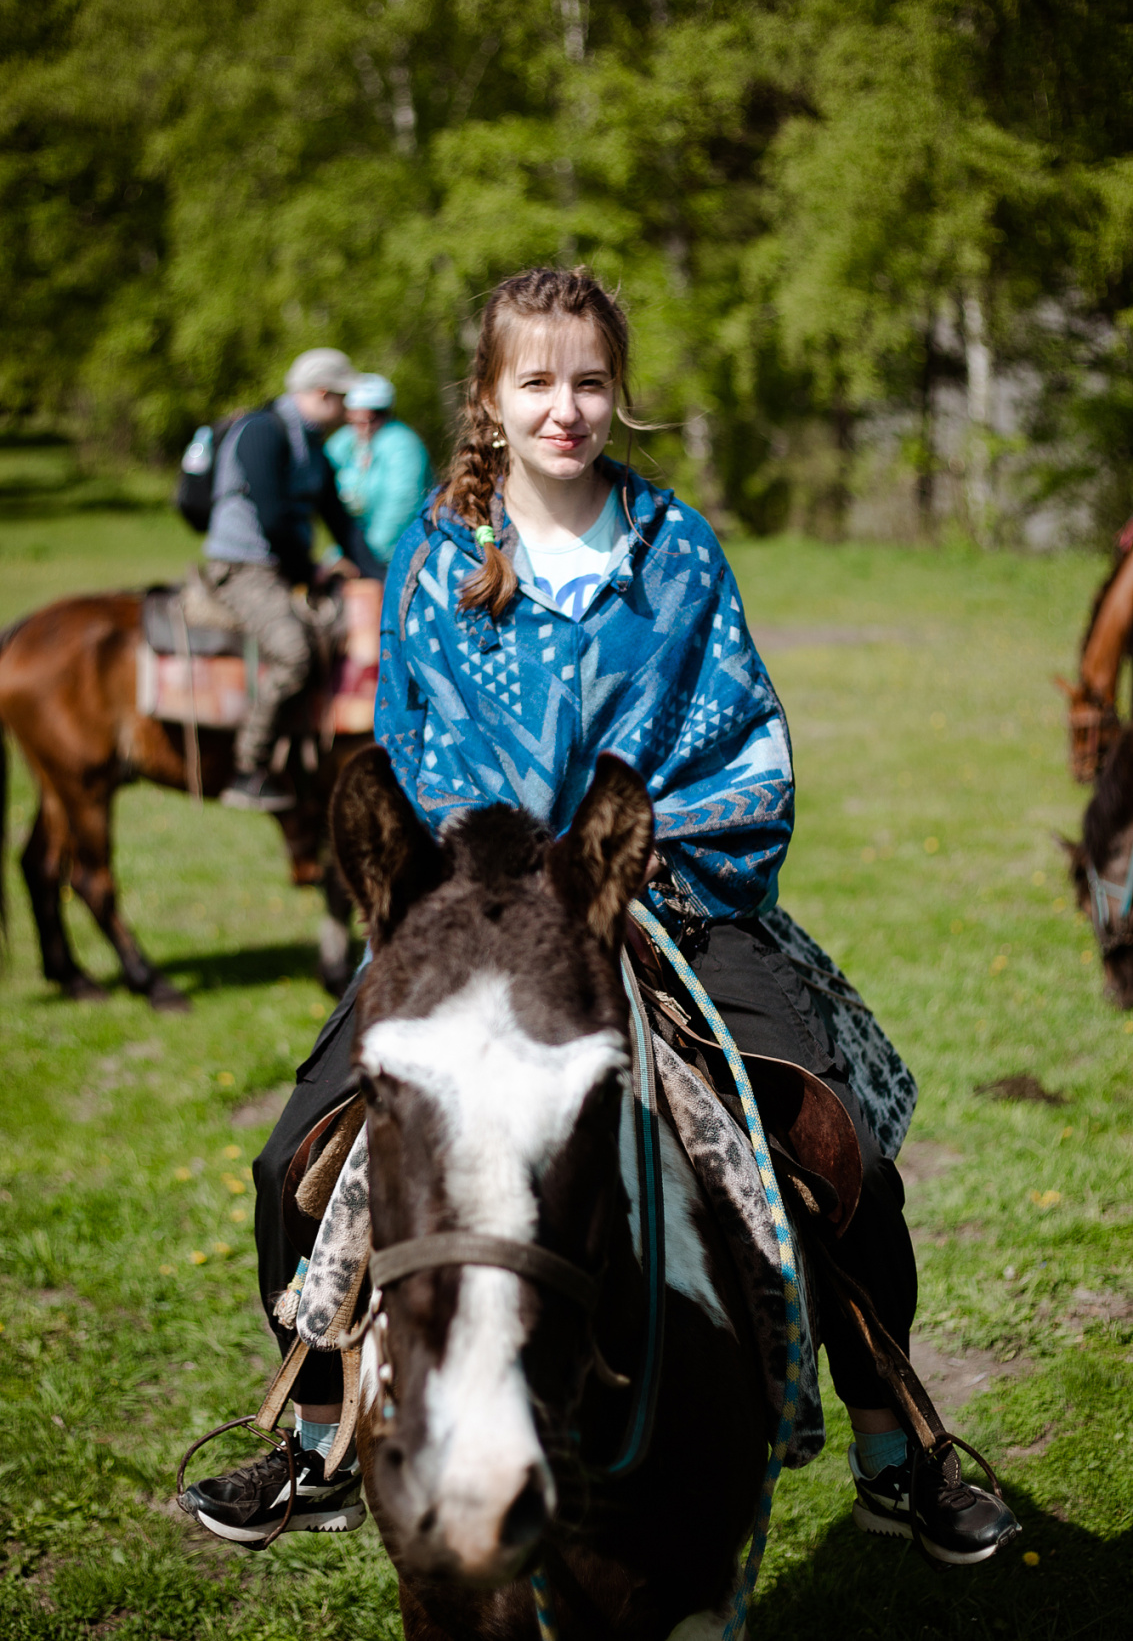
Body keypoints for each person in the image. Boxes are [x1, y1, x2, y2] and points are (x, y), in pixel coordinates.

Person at [181, 270, 1019, 1564]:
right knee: (297, 1158)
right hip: (475, 912)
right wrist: (504, 886)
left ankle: (894, 1443)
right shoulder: (437, 560)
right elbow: (414, 746)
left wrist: (622, 865)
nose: (563, 408)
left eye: (585, 381)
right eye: (535, 382)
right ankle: (316, 1435)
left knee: (835, 1143)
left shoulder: (678, 549)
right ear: (491, 398)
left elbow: (742, 740)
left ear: (613, 390)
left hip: (664, 890)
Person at [203, 348, 386, 814]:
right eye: (343, 399)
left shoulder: (313, 446)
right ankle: (250, 768)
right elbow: (273, 518)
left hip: (283, 567)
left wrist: (382, 578)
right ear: (323, 394)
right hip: (243, 569)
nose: (349, 411)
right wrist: (312, 572)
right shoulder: (262, 432)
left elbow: (341, 523)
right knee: (294, 653)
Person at [323, 373, 433, 571]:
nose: (362, 425)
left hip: (398, 553)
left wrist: (362, 555)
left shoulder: (402, 444)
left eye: (371, 417)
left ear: (385, 413)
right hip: (356, 546)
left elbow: (400, 505)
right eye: (355, 418)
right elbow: (322, 470)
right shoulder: (349, 440)